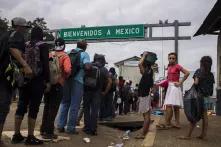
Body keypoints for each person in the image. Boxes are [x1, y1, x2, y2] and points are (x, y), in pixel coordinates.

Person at [12, 26, 50, 145]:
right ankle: (30, 137)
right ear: (41, 35)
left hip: (24, 79)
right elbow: (45, 65)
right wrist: (47, 81)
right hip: (37, 81)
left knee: (21, 106)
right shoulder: (43, 45)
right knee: (34, 108)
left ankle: (16, 135)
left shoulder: (26, 44)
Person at [0, 17, 32, 144]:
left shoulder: (5, 35)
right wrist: (25, 65)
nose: (25, 30)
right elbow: (13, 49)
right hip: (5, 78)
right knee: (3, 108)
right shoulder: (17, 35)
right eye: (24, 27)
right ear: (19, 26)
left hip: (2, 75)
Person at [57, 40, 90, 134]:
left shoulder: (68, 53)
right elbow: (87, 67)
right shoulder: (84, 54)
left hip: (66, 80)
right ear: (85, 47)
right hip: (78, 81)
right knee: (74, 105)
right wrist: (88, 66)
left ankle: (60, 126)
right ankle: (70, 128)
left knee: (64, 103)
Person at [40, 38, 71, 139]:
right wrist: (64, 77)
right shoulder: (65, 56)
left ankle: (43, 129)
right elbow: (67, 70)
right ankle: (49, 132)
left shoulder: (50, 54)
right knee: (53, 109)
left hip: (48, 84)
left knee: (47, 107)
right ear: (64, 45)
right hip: (58, 85)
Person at [179, 56, 214, 140]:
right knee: (205, 116)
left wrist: (191, 89)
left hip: (199, 97)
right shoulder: (211, 74)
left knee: (193, 115)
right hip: (207, 97)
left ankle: (188, 135)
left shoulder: (199, 71)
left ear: (201, 63)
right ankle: (203, 134)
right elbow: (211, 87)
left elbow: (196, 82)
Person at [157, 52, 189, 129]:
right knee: (172, 106)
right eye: (170, 58)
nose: (171, 59)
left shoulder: (177, 66)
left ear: (176, 59)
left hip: (175, 87)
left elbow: (187, 73)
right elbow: (168, 78)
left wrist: (180, 82)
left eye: (173, 58)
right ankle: (172, 123)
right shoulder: (169, 67)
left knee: (172, 106)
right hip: (169, 87)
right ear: (168, 59)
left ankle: (169, 123)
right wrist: (162, 83)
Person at [83, 54, 112, 135]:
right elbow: (110, 82)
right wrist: (105, 92)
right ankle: (93, 129)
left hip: (86, 91)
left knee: (86, 109)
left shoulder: (89, 66)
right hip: (97, 92)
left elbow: (83, 76)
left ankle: (87, 128)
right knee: (95, 111)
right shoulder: (104, 69)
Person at [135, 52, 154, 139]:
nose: (140, 69)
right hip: (146, 95)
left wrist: (144, 55)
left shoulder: (146, 72)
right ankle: (145, 131)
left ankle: (143, 134)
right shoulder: (150, 71)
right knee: (147, 115)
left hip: (144, 96)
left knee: (146, 116)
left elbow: (139, 64)